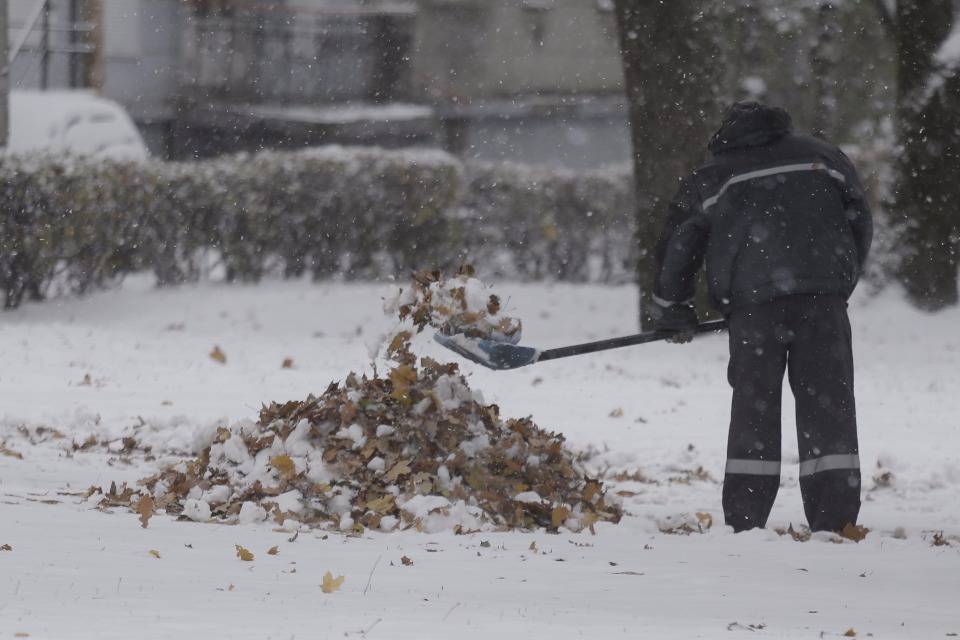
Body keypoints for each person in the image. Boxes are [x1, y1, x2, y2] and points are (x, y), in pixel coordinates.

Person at [650, 101, 873, 533]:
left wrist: (671, 308)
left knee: (755, 407)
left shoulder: (714, 175)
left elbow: (680, 243)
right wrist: (838, 280)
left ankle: (746, 519)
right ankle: (836, 518)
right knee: (828, 406)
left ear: (726, 134)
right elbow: (859, 219)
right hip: (822, 301)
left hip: (755, 311)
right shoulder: (824, 158)